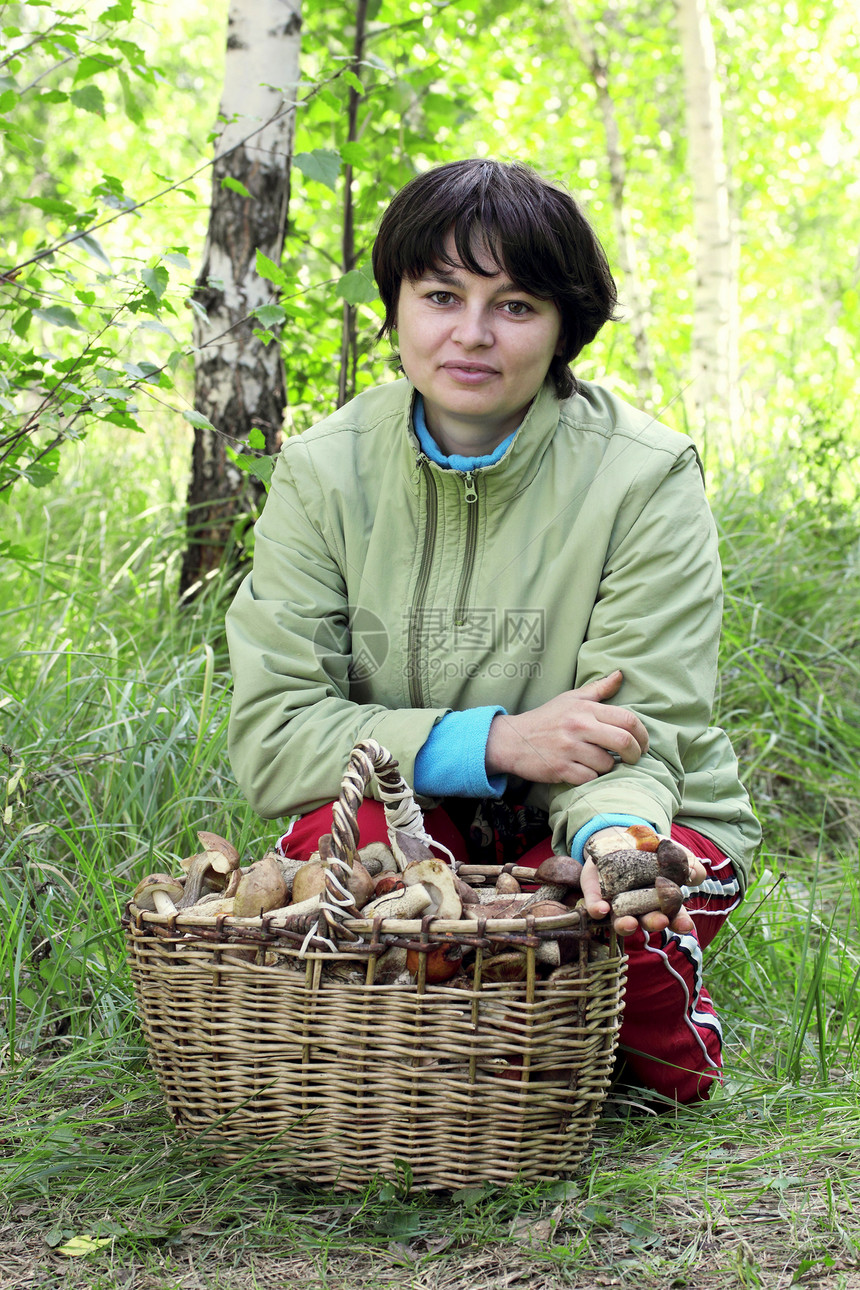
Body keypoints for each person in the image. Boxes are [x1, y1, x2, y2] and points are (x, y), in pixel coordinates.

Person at [225, 158, 761, 1104]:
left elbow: (640, 724)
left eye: (515, 305)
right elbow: (275, 738)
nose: (471, 335)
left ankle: (661, 1038)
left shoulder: (643, 477)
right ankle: (464, 1051)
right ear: (395, 306)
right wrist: (497, 740)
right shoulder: (322, 472)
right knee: (361, 894)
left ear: (565, 330)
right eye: (441, 295)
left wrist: (610, 845)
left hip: (632, 805)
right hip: (408, 819)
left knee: (610, 941)